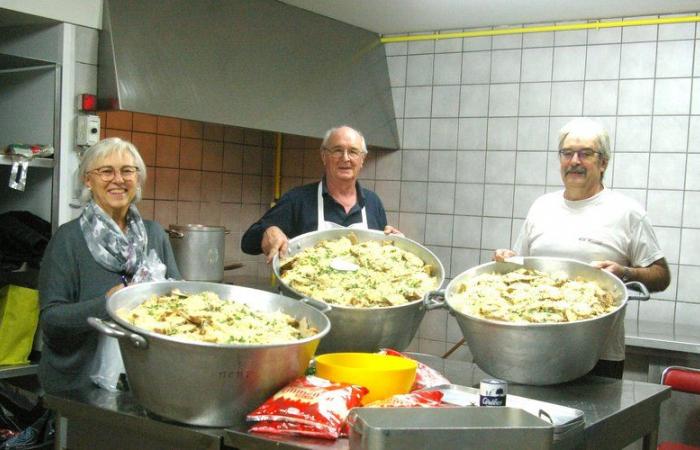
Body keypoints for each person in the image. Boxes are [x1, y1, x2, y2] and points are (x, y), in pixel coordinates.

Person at [494, 117, 670, 379]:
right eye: (567, 153)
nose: (574, 161)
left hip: (597, 356)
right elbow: (521, 267)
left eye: (585, 153)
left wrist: (626, 272)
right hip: (534, 349)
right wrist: (507, 259)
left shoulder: (627, 212)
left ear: (603, 163)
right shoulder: (542, 207)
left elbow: (661, 275)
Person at [37, 137, 180, 393]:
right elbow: (52, 320)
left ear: (138, 179)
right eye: (106, 171)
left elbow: (179, 302)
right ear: (88, 180)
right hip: (82, 383)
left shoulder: (155, 234)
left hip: (144, 381)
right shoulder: (68, 239)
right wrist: (108, 304)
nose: (118, 179)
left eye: (127, 170)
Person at [241, 125, 401, 263]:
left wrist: (394, 245)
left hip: (360, 298)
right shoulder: (298, 200)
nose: (345, 158)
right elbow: (248, 242)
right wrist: (268, 231)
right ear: (324, 156)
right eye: (337, 151)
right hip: (305, 296)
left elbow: (381, 257)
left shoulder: (373, 203)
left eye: (353, 152)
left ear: (362, 159)